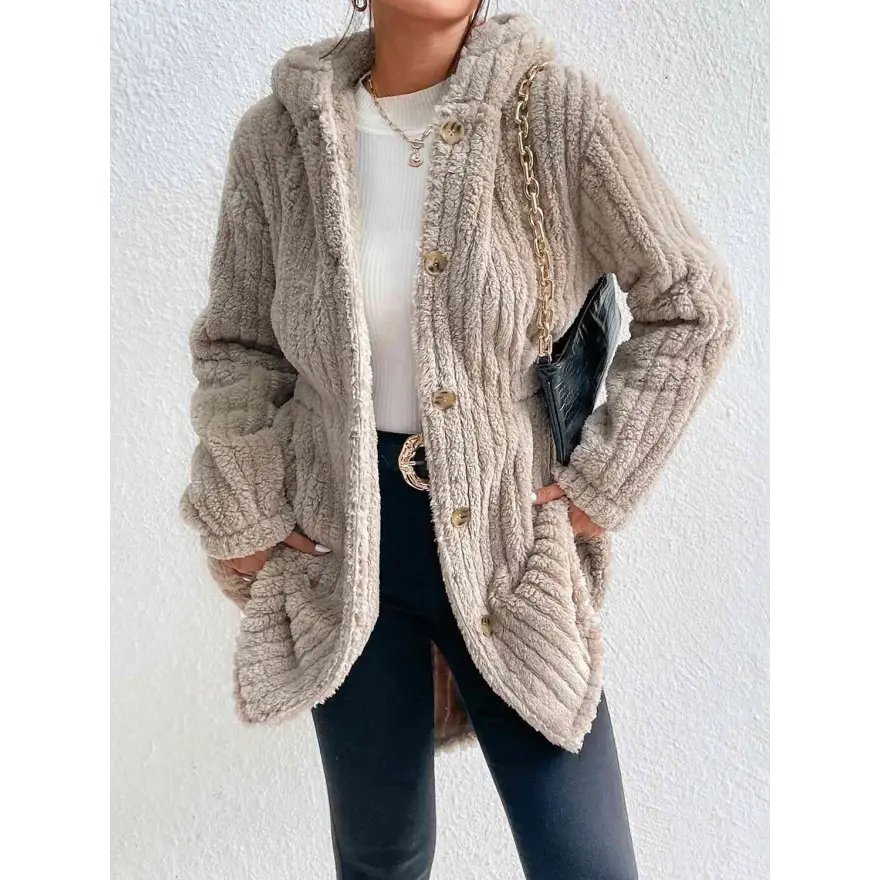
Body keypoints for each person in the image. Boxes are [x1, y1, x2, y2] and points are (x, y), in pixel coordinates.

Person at [182, 3, 738, 878]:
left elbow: (692, 305)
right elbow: (238, 347)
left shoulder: (557, 116)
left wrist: (602, 482)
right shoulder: (281, 137)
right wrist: (246, 507)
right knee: (381, 856)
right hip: (342, 545)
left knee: (586, 861)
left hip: (508, 539)